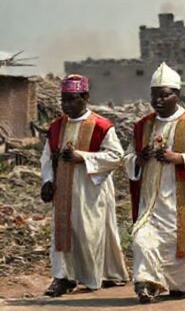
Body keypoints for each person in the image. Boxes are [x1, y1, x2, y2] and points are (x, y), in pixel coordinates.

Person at [124, 62, 185, 303]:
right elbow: (126, 158)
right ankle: (146, 284)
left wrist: (179, 158)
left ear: (177, 95)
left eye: (164, 95)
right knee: (142, 238)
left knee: (178, 244)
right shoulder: (143, 126)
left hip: (180, 200)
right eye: (154, 95)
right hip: (150, 202)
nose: (158, 100)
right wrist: (139, 158)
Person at [39, 75, 129, 297]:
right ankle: (62, 278)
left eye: (72, 99)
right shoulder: (57, 126)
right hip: (63, 188)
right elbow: (47, 157)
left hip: (91, 189)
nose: (67, 105)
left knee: (89, 233)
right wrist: (48, 181)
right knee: (61, 232)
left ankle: (92, 275)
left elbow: (116, 156)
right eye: (64, 100)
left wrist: (82, 156)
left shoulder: (101, 125)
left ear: (86, 97)